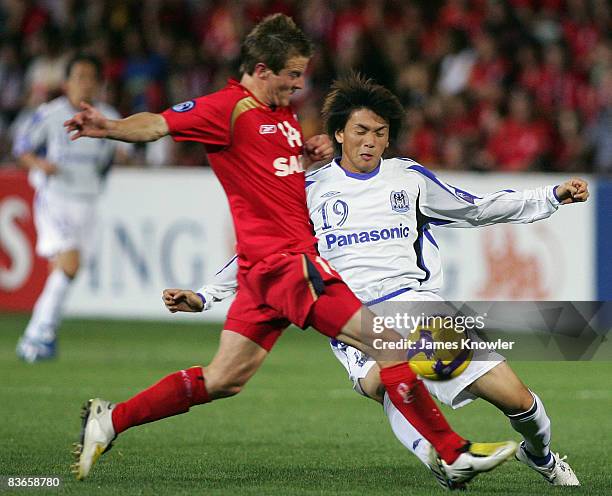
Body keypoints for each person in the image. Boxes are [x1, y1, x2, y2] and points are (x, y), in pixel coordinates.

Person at [65, 15, 516, 486]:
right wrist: (109, 126)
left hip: (266, 273)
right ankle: (452, 450)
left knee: (223, 379)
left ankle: (109, 420)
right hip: (287, 264)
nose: (300, 84)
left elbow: (274, 173)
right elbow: (157, 124)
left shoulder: (279, 116)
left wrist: (307, 153)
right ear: (262, 70)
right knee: (386, 341)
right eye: (293, 74)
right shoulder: (225, 109)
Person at [186, 74, 585, 486]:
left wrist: (549, 196)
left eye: (380, 133)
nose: (370, 141)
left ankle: (542, 457)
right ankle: (443, 457)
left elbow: (477, 209)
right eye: (360, 131)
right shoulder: (309, 189)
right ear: (339, 133)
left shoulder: (407, 178)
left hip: (416, 305)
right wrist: (206, 295)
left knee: (516, 399)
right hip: (350, 314)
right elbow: (263, 252)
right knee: (385, 380)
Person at [13, 53, 131, 363]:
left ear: (99, 83)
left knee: (64, 272)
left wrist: (121, 158)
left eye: (91, 77)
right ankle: (34, 337)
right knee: (70, 264)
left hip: (89, 201)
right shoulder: (51, 115)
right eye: (79, 77)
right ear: (66, 83)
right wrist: (39, 164)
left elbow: (117, 154)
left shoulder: (107, 115)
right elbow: (21, 148)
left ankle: (45, 334)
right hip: (56, 197)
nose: (86, 83)